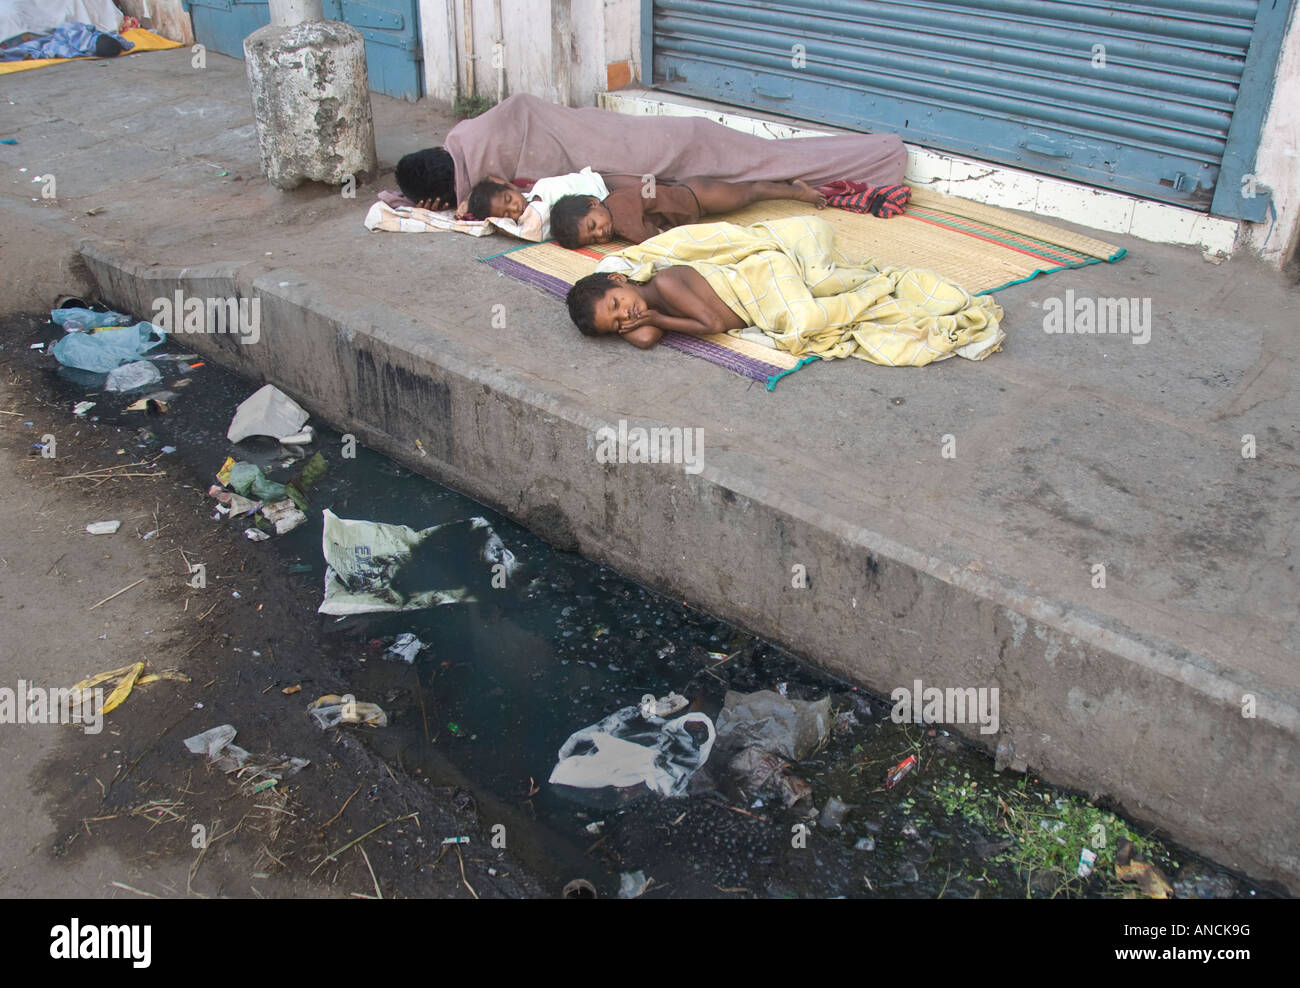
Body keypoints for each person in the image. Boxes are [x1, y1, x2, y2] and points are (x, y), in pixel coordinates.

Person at [564, 216, 1005, 367]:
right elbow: (642, 338)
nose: (628, 318)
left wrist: (656, 319)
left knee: (807, 324)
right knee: (807, 323)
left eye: (619, 306)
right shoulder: (645, 310)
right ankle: (871, 291)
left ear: (621, 280)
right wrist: (641, 324)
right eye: (616, 324)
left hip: (764, 274)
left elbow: (712, 324)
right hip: (761, 304)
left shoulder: (663, 284)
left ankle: (882, 287)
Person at [396, 93, 908, 209]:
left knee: (766, 161)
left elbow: (487, 204)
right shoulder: (468, 136)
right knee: (762, 156)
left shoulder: (485, 169)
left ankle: (880, 157)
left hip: (659, 155)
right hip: (655, 135)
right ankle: (876, 153)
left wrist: (455, 204)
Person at [550, 177, 825, 248]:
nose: (601, 233)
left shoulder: (620, 214)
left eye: (593, 226)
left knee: (751, 193)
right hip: (690, 194)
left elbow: (649, 241)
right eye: (595, 239)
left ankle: (798, 192)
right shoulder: (614, 205)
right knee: (747, 191)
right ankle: (789, 184)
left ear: (592, 202)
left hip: (699, 197)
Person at [466, 167, 610, 241]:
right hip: (603, 204)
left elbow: (490, 178)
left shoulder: (538, 192)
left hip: (601, 184)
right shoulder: (532, 216)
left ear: (510, 188)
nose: (514, 208)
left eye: (509, 199)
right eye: (507, 214)